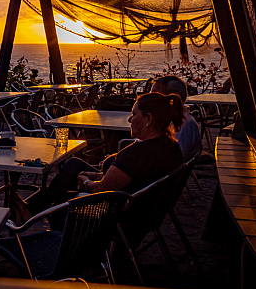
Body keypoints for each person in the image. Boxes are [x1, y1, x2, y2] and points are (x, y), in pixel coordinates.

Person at [19, 92, 184, 220]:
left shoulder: (139, 154)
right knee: (74, 165)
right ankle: (32, 209)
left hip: (121, 213)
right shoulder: (169, 146)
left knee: (63, 195)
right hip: (142, 207)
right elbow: (129, 176)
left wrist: (86, 182)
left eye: (134, 114)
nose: (129, 119)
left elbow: (101, 189)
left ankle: (43, 222)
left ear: (149, 119)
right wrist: (97, 175)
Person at [151, 75, 202, 160]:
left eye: (155, 94)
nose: (150, 97)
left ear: (172, 98)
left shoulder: (183, 125)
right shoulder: (167, 119)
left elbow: (175, 159)